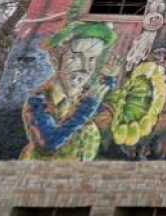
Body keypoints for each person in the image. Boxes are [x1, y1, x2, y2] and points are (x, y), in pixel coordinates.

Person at [21, 22, 118, 160]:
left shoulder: (80, 97)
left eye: (91, 59)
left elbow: (100, 114)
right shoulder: (39, 101)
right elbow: (49, 143)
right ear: (56, 60)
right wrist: (85, 109)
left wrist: (108, 83)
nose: (85, 68)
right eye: (76, 57)